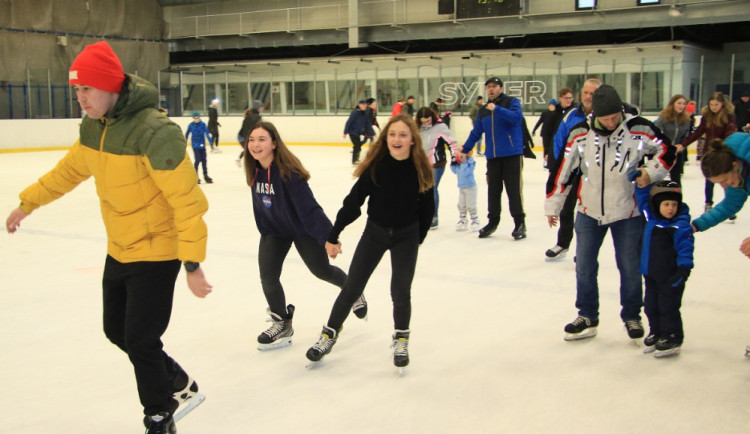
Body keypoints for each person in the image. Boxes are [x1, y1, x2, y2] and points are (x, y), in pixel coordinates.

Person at [5, 41, 212, 434]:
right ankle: (178, 382)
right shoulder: (94, 127)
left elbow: (187, 201)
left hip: (157, 251)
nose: (81, 98)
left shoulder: (155, 132)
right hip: (120, 248)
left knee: (140, 338)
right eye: (77, 90)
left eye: (88, 89)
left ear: (112, 87)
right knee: (116, 330)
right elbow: (68, 172)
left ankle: (159, 414)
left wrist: (192, 263)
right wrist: (27, 203)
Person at [545, 84, 676, 342]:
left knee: (629, 267)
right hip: (588, 211)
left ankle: (631, 316)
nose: (611, 122)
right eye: (606, 119)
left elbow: (667, 151)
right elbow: (562, 170)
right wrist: (554, 205)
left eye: (615, 117)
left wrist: (650, 172)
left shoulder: (639, 128)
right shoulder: (580, 133)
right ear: (595, 115)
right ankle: (587, 315)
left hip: (628, 212)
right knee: (584, 266)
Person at [305, 114, 435, 370]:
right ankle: (328, 335)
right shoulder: (377, 167)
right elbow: (353, 203)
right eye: (392, 134)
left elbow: (427, 209)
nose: (396, 139)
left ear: (412, 140)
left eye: (403, 135)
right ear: (386, 138)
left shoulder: (420, 169)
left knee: (400, 290)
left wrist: (417, 239)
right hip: (374, 234)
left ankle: (401, 339)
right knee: (352, 287)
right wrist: (334, 233)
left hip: (406, 236)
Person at [243, 121, 367, 350]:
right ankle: (282, 322)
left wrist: (328, 238)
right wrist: (265, 229)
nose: (255, 144)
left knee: (322, 271)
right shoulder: (254, 170)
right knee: (268, 277)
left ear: (274, 144)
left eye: (261, 139)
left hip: (302, 229)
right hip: (275, 231)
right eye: (251, 139)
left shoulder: (289, 174)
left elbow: (310, 209)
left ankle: (353, 289)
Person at [689, 133, 750, 355]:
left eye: (725, 180)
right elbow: (729, 205)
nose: (725, 186)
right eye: (719, 184)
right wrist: (695, 226)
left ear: (735, 165)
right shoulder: (737, 171)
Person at [459, 76, 527, 240]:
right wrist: (465, 149)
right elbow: (476, 132)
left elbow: (517, 118)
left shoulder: (511, 102)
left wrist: (497, 109)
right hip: (493, 158)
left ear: (501, 89)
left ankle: (519, 223)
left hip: (511, 155)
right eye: (489, 86)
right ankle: (493, 222)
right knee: (493, 191)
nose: (491, 89)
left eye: (494, 86)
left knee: (513, 191)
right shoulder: (483, 111)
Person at [633, 178, 694, 357]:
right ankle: (657, 332)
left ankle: (673, 336)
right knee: (651, 306)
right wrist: (641, 184)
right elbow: (643, 200)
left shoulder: (680, 226)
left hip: (671, 277)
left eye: (674, 204)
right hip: (651, 275)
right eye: (666, 204)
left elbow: (685, 250)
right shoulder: (652, 219)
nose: (670, 208)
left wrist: (683, 270)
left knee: (668, 307)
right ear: (657, 205)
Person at [544, 78, 601, 260]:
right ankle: (562, 244)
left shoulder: (606, 115)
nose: (588, 96)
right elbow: (559, 140)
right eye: (586, 92)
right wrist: (556, 165)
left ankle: (584, 250)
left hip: (596, 174)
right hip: (574, 171)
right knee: (566, 210)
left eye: (593, 93)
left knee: (589, 214)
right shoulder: (571, 115)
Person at [678, 91, 737, 213]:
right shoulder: (707, 117)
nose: (714, 107)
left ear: (722, 104)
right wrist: (683, 144)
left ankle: (730, 206)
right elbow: (698, 133)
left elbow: (730, 133)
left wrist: (724, 147)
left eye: (716, 104)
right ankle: (708, 203)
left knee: (725, 180)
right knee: (710, 179)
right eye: (711, 104)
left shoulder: (729, 117)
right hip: (709, 154)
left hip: (723, 154)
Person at [416, 106, 460, 229]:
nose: (426, 124)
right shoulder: (417, 128)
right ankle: (422, 214)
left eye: (428, 121)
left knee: (431, 188)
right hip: (421, 164)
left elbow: (452, 142)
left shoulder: (441, 127)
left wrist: (454, 157)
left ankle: (433, 216)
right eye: (423, 121)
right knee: (420, 189)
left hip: (437, 164)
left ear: (433, 117)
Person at [654, 95, 692, 186]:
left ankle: (677, 197)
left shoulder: (687, 119)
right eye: (679, 103)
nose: (681, 106)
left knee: (676, 179)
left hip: (677, 152)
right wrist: (666, 145)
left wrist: (682, 145)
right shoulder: (663, 117)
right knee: (657, 178)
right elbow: (657, 133)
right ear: (672, 104)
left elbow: (687, 136)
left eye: (683, 104)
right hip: (663, 151)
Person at [450, 150, 480, 232]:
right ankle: (463, 220)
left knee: (470, 205)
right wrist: (452, 162)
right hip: (462, 187)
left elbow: (466, 172)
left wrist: (463, 163)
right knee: (461, 204)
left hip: (470, 187)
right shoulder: (459, 162)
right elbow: (454, 171)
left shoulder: (470, 161)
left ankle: (475, 220)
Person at [185, 111, 214, 184]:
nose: (196, 119)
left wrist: (211, 145)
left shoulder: (203, 124)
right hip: (195, 145)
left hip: (202, 145)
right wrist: (184, 144)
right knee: (197, 160)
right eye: (195, 118)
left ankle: (205, 175)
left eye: (197, 118)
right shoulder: (191, 125)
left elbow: (207, 134)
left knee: (204, 160)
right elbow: (186, 135)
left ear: (199, 118)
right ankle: (195, 175)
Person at [343, 99, 374, 164]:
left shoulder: (365, 113)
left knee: (357, 146)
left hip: (358, 132)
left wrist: (373, 132)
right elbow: (349, 122)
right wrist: (345, 132)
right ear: (359, 105)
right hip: (352, 132)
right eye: (362, 105)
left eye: (365, 105)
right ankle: (355, 160)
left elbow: (368, 123)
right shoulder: (355, 112)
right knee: (357, 146)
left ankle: (356, 159)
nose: (364, 106)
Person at [236, 100, 263, 166]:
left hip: (242, 135)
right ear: (258, 109)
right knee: (249, 150)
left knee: (249, 149)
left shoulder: (250, 116)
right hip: (244, 136)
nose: (262, 109)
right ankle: (252, 163)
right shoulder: (256, 117)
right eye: (261, 107)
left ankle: (241, 160)